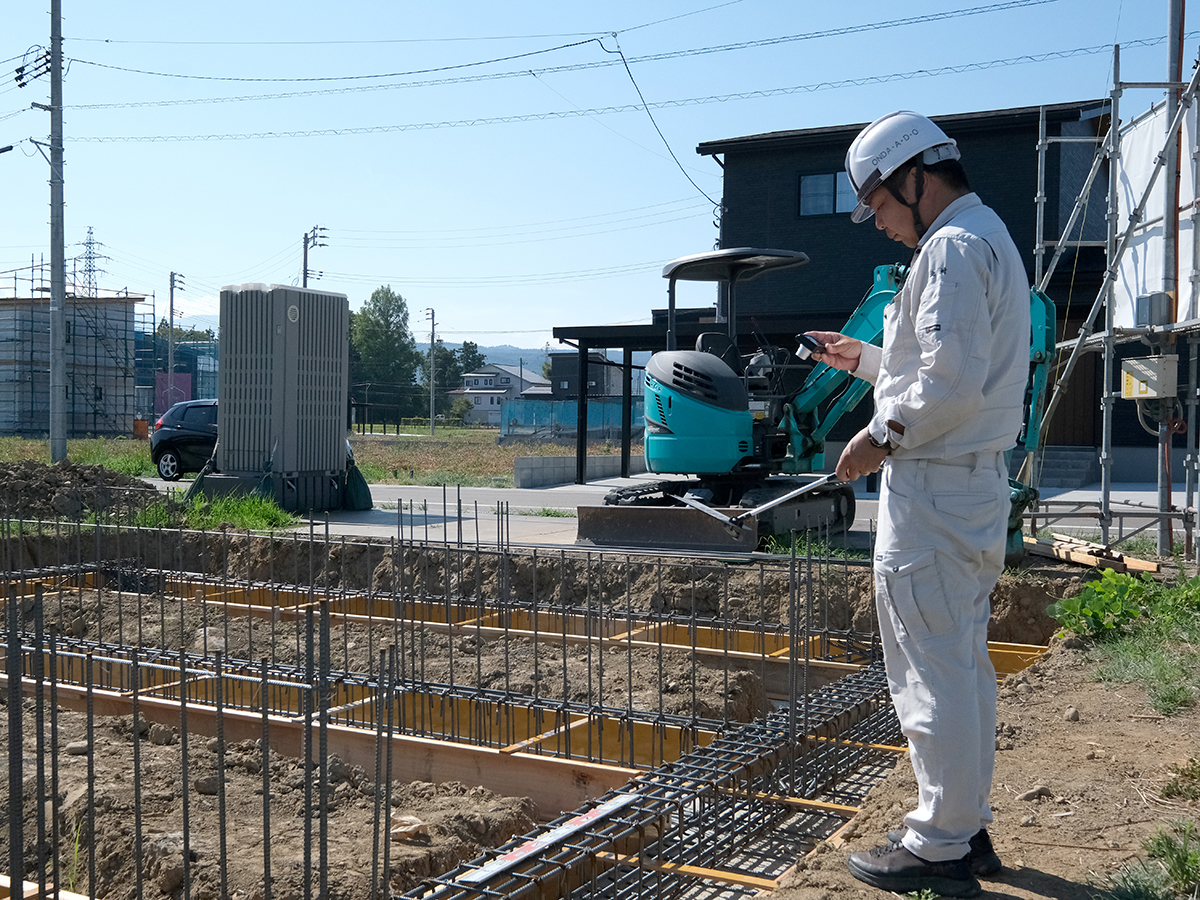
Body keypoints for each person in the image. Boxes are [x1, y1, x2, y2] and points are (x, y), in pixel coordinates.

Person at [806, 110, 1030, 899]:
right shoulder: (978, 237)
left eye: (880, 206)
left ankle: (939, 843)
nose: (880, 225)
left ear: (913, 177)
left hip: (933, 491)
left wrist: (878, 438)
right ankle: (962, 826)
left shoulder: (953, 250)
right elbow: (941, 366)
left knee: (930, 672)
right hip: (962, 483)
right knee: (959, 664)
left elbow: (946, 384)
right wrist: (864, 359)